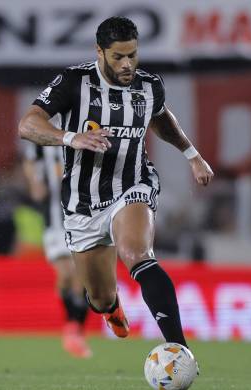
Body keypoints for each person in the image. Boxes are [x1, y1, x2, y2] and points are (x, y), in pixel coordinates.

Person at [18, 17, 214, 349]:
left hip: (132, 184)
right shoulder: (74, 82)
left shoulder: (149, 86)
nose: (127, 64)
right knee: (99, 296)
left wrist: (192, 154)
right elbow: (28, 124)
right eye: (118, 57)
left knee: (136, 252)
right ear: (100, 52)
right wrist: (71, 138)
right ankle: (111, 308)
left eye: (132, 55)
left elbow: (161, 118)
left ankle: (180, 350)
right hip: (82, 202)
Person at [22, 141, 90, 358]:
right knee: (64, 276)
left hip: (80, 217)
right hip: (52, 218)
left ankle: (74, 329)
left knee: (81, 277)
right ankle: (72, 327)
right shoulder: (43, 138)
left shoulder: (81, 130)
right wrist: (34, 182)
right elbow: (29, 160)